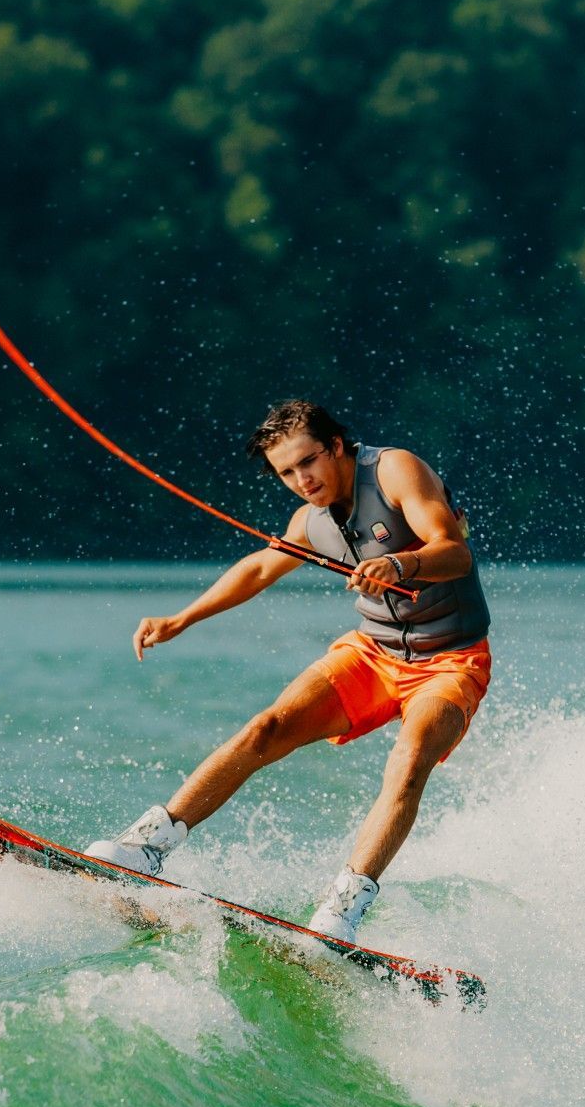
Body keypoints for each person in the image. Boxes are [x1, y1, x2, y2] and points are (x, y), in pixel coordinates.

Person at [86, 399, 492, 943]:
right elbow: (258, 567)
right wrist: (181, 619)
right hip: (373, 652)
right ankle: (145, 847)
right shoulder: (311, 520)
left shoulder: (394, 470)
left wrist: (399, 563)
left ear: (338, 446)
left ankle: (341, 913)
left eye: (309, 462)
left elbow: (453, 551)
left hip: (451, 659)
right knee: (266, 729)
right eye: (286, 472)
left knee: (409, 760)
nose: (302, 479)